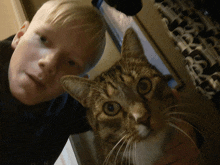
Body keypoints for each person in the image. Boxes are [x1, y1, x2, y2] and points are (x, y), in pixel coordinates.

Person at [0, 0, 106, 164]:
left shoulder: (69, 108)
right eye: (43, 39)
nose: (49, 63)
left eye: (71, 62)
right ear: (19, 36)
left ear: (77, 85)